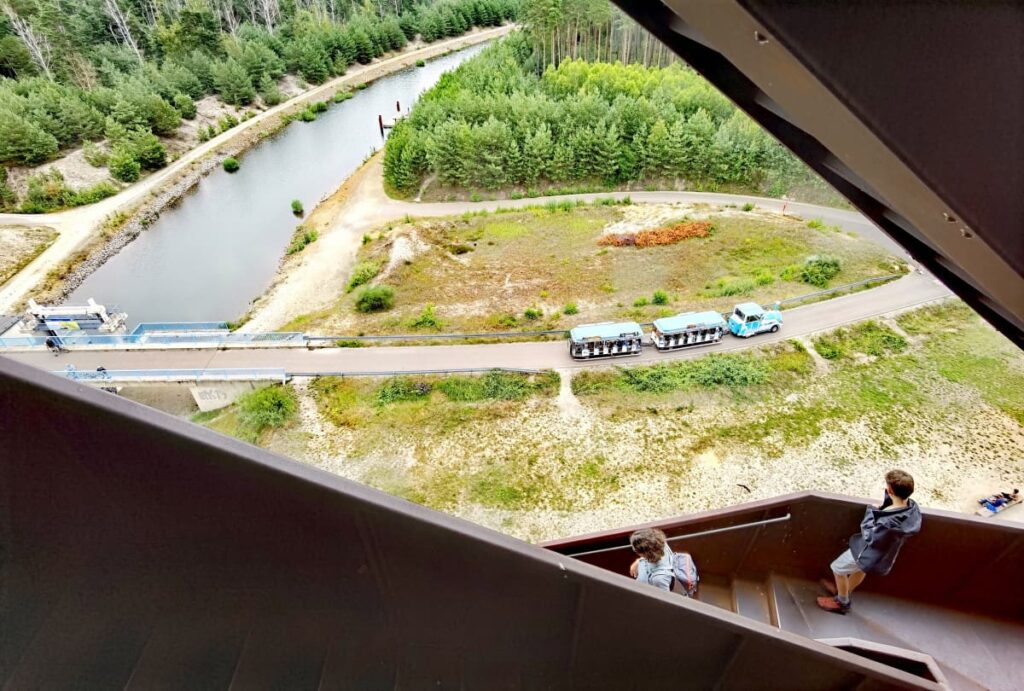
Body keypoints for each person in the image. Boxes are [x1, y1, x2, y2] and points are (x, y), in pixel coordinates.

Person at [817, 469, 922, 614]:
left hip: (867, 552)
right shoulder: (912, 507)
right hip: (881, 556)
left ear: (890, 490)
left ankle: (842, 601)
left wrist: (871, 512)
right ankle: (844, 590)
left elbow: (869, 535)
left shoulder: (886, 521)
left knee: (837, 568)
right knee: (861, 569)